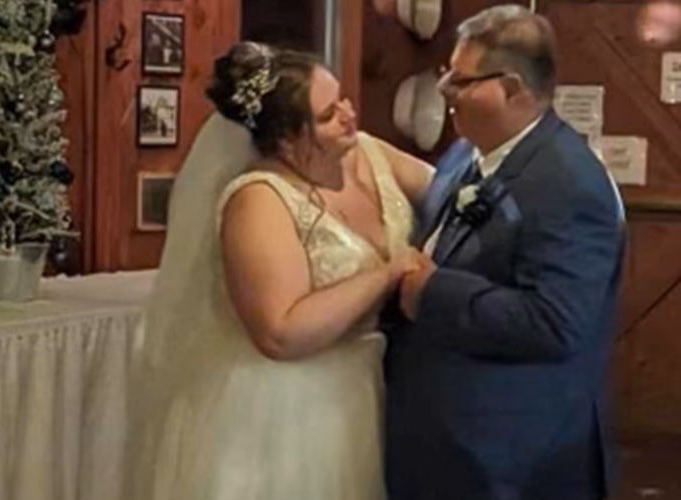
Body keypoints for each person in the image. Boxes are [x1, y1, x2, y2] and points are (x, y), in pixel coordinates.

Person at [125, 42, 430, 500]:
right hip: (283, 412)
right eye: (328, 114)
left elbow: (451, 188)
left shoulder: (367, 151)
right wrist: (387, 274)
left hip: (359, 389)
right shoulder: (260, 198)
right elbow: (279, 332)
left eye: (343, 98)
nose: (349, 114)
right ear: (287, 138)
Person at [384, 5, 626, 499]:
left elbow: (555, 322)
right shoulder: (465, 152)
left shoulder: (570, 183)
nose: (446, 91)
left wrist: (432, 292)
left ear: (512, 89)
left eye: (461, 80)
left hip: (512, 458)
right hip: (442, 441)